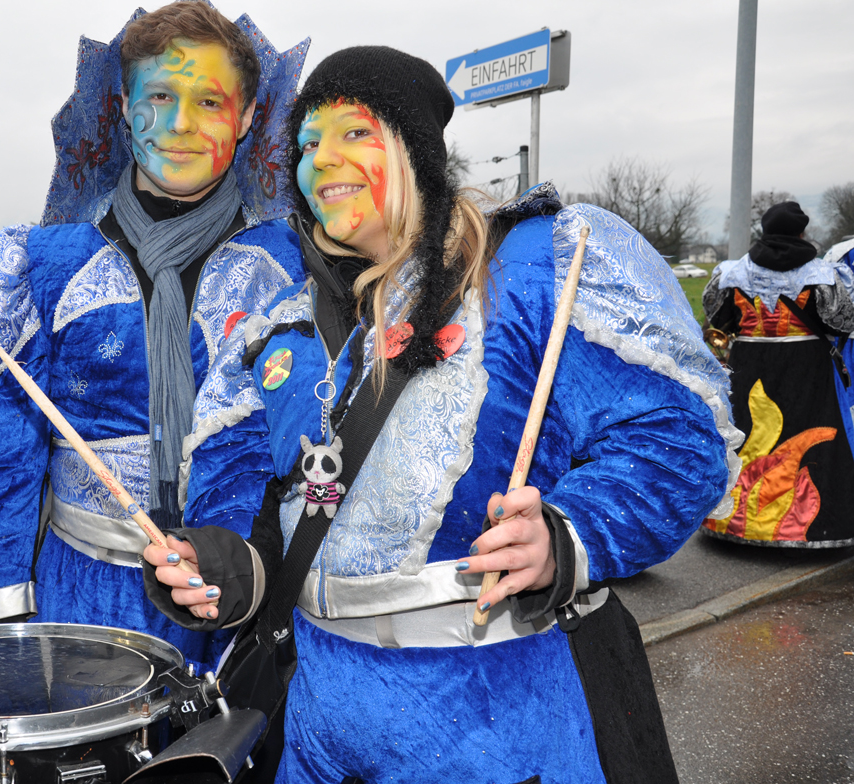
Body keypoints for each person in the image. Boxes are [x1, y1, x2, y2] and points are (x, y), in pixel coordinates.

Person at [142, 46, 739, 782]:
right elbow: (254, 500)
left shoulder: (535, 269)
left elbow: (676, 439)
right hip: (318, 732)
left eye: (353, 133)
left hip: (498, 724)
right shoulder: (274, 326)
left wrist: (566, 536)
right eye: (306, 143)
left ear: (416, 151)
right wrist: (219, 565)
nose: (320, 159)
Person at [0, 0, 307, 666]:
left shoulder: (291, 269)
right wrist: (2, 621)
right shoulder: (41, 266)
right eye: (160, 96)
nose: (180, 124)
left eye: (209, 101)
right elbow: (4, 457)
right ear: (123, 106)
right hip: (79, 605)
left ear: (245, 118)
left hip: (240, 616)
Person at [702, 201, 854, 546]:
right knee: (811, 433)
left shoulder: (732, 272)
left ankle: (735, 523)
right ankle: (810, 527)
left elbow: (717, 316)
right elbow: (842, 320)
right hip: (807, 368)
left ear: (765, 230)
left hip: (750, 366)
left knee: (746, 433)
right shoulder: (821, 273)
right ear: (801, 232)